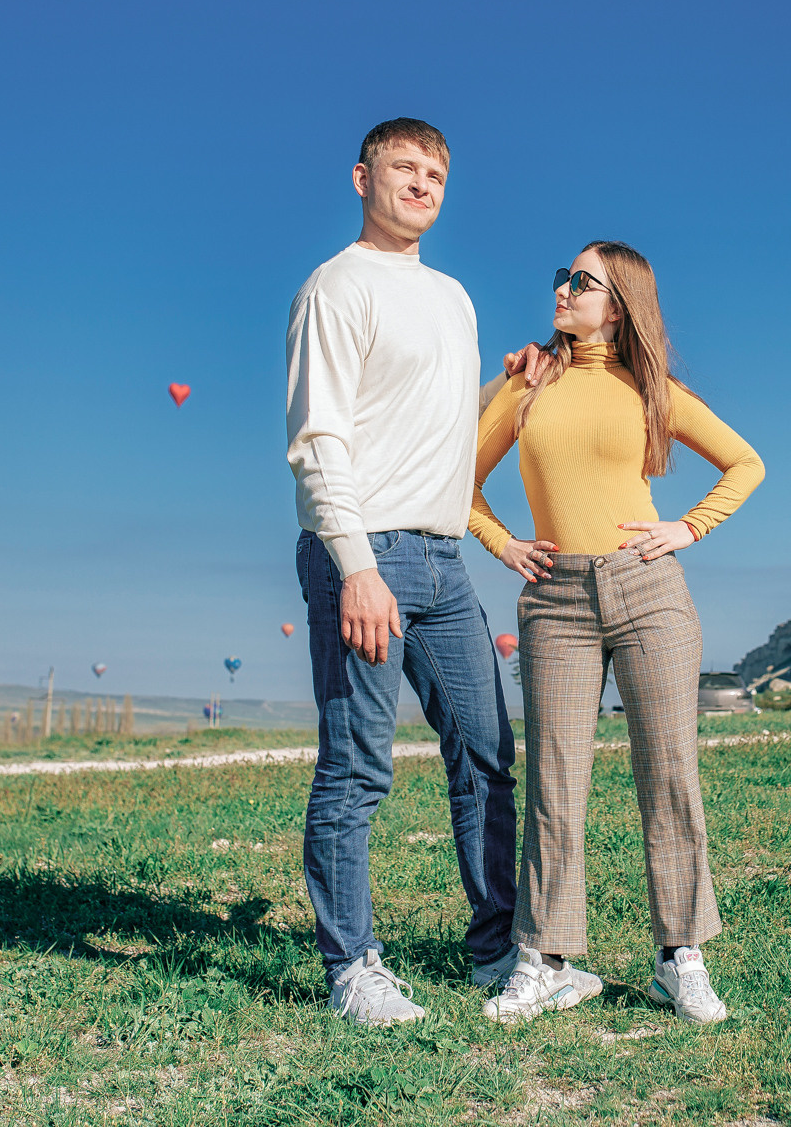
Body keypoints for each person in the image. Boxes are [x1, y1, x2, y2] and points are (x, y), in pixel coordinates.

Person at [285, 118, 541, 1026]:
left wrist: (513, 384)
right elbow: (318, 440)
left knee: (486, 754)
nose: (423, 183)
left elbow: (439, 429)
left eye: (436, 171)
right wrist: (355, 567)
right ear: (363, 177)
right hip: (369, 551)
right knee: (358, 769)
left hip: (444, 558)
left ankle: (498, 949)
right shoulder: (337, 286)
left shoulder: (455, 298)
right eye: (404, 167)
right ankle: (351, 965)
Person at [469, 242, 765, 1025]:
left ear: (619, 302)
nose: (563, 289)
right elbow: (454, 475)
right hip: (556, 598)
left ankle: (681, 957)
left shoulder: (651, 389)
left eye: (581, 281)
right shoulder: (525, 379)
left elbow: (745, 462)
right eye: (561, 277)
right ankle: (543, 960)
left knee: (669, 773)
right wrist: (503, 542)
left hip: (649, 589)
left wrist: (688, 528)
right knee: (555, 783)